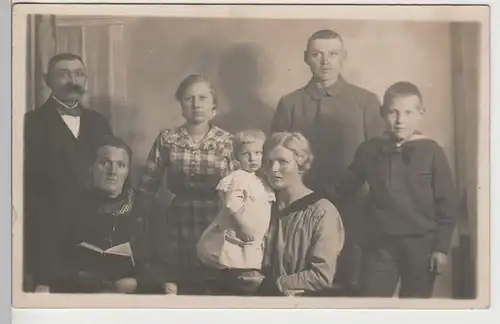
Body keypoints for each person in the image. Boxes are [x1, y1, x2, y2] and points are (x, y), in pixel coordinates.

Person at [269, 29, 385, 292]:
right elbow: (275, 159)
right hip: (300, 208)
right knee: (301, 279)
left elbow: (379, 163)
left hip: (354, 208)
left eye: (333, 54)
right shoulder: (290, 103)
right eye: (317, 54)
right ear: (306, 58)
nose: (325, 61)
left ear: (343, 56)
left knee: (350, 283)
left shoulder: (366, 101)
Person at [326, 81, 459, 298]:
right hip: (380, 245)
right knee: (370, 302)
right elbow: (344, 188)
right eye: (393, 112)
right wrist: (309, 198)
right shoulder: (370, 149)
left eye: (408, 112)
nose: (400, 120)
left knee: (415, 307)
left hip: (421, 245)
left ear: (421, 114)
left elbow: (448, 203)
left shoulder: (432, 152)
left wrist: (440, 248)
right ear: (382, 113)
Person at [138, 74, 237, 295]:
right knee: (177, 282)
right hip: (178, 220)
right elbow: (147, 184)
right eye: (189, 98)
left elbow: (238, 187)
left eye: (202, 98)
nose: (196, 104)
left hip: (216, 219)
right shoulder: (168, 139)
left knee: (213, 283)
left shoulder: (228, 141)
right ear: (181, 104)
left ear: (213, 104)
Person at [24, 53, 113, 293]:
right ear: (47, 80)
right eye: (63, 74)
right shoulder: (29, 124)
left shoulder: (99, 122)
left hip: (94, 232)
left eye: (79, 74)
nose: (72, 80)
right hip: (48, 235)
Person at [238, 132, 345, 296]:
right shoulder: (261, 205)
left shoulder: (322, 212)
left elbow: (321, 276)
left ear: (301, 165)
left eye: (283, 162)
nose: (274, 169)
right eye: (269, 162)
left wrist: (273, 284)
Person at [69, 135, 161, 294]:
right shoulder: (72, 206)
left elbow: (162, 264)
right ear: (90, 167)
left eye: (121, 165)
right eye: (105, 163)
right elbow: (54, 262)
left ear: (127, 172)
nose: (113, 172)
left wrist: (137, 282)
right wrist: (80, 278)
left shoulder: (147, 208)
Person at [196, 129, 275, 295]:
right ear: (237, 157)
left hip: (254, 235)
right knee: (236, 267)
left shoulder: (260, 180)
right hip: (240, 231)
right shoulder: (239, 177)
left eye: (257, 153)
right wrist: (243, 226)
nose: (253, 158)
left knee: (249, 267)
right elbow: (231, 205)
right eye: (246, 154)